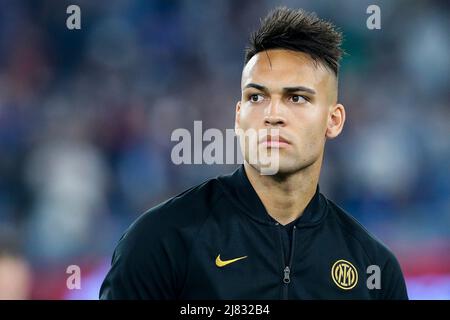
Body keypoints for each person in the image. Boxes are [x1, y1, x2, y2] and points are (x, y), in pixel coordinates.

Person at [100, 7, 408, 299]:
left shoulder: (375, 268)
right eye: (257, 96)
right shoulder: (161, 241)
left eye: (297, 98)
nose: (273, 114)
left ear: (334, 120)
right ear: (238, 116)